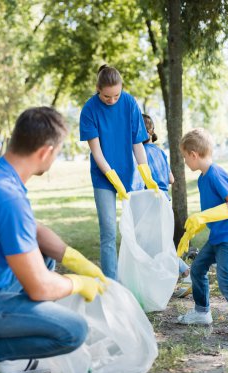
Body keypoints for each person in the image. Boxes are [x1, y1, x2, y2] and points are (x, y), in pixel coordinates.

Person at [0, 107, 108, 373]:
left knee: (46, 255)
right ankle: (7, 355)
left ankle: (15, 330)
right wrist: (78, 283)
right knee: (74, 331)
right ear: (46, 151)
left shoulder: (3, 177)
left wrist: (74, 259)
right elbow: (40, 288)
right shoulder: (8, 197)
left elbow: (34, 231)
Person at [79, 65, 159, 280]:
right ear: (98, 89)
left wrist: (146, 175)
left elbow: (138, 144)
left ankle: (138, 278)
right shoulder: (89, 109)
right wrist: (113, 179)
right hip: (104, 177)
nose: (112, 100)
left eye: (116, 95)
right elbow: (96, 152)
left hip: (129, 173)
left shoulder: (130, 103)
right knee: (108, 233)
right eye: (107, 96)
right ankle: (112, 286)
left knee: (136, 230)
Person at [177, 128, 228, 344]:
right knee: (197, 269)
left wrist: (204, 216)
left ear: (193, 154)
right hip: (218, 236)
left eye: (184, 157)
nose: (185, 161)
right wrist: (196, 226)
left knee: (226, 281)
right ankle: (202, 312)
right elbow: (212, 209)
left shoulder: (216, 174)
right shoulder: (202, 178)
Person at [141, 114, 192, 297]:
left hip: (150, 202)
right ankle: (177, 277)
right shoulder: (160, 152)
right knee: (162, 243)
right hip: (165, 202)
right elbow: (171, 179)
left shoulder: (139, 152)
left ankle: (184, 272)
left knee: (152, 245)